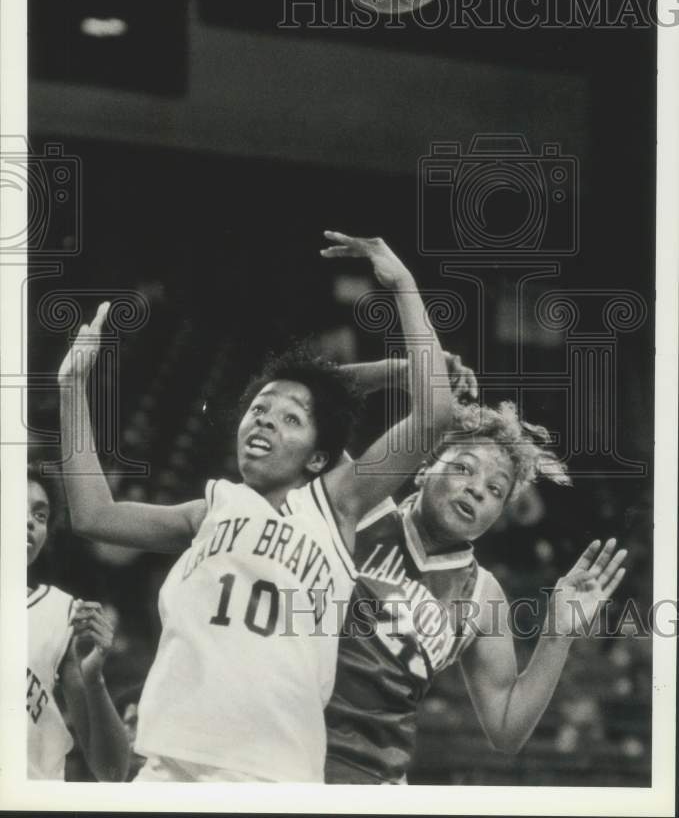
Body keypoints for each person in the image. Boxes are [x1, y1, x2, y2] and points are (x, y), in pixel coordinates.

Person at [57, 232, 456, 783]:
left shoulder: (336, 503)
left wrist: (404, 286)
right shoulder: (212, 508)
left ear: (319, 457)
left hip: (274, 771)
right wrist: (72, 389)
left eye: (289, 418)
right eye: (260, 409)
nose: (265, 419)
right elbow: (92, 515)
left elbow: (434, 415)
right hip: (169, 762)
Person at [324, 400, 628, 784]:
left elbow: (505, 728)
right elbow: (313, 402)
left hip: (374, 780)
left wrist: (558, 635)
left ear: (500, 512)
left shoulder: (482, 595)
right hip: (287, 747)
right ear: (423, 469)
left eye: (495, 489)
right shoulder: (360, 504)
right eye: (463, 468)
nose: (476, 490)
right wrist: (393, 371)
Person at [26, 464, 130, 781]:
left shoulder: (59, 613)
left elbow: (112, 772)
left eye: (40, 515)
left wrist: (94, 676)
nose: (30, 521)